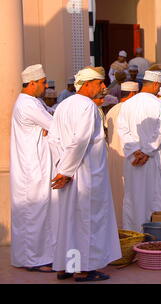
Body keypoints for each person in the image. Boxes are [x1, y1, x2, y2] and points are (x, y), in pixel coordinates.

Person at [48, 66, 121, 282]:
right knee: (87, 222)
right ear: (87, 84)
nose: (103, 87)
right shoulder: (86, 106)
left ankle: (66, 266)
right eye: (99, 83)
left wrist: (61, 167)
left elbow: (53, 139)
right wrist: (67, 171)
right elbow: (80, 140)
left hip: (67, 171)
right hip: (84, 173)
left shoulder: (64, 105)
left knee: (69, 221)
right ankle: (84, 269)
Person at [10, 64, 56, 273]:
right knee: (33, 214)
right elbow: (54, 125)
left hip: (37, 166)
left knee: (38, 213)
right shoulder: (28, 104)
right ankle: (34, 260)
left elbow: (51, 118)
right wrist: (48, 128)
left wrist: (48, 127)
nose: (46, 86)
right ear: (32, 83)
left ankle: (36, 257)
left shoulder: (34, 102)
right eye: (43, 82)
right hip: (32, 169)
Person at [117, 71, 161, 232]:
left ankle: (134, 234)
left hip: (134, 159)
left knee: (134, 198)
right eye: (159, 86)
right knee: (155, 197)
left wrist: (136, 151)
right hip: (153, 159)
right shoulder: (159, 104)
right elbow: (160, 131)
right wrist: (146, 152)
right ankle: (156, 234)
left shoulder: (127, 104)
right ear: (154, 84)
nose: (159, 90)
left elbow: (123, 130)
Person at [106, 81, 139, 228]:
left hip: (113, 158)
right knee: (129, 195)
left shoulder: (112, 110)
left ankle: (117, 228)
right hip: (129, 157)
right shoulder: (133, 110)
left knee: (116, 194)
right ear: (133, 94)